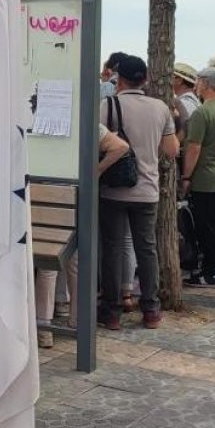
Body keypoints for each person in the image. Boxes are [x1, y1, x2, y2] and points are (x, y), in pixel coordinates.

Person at [98, 55, 178, 330]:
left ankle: (111, 311)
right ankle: (151, 309)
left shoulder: (107, 106)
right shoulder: (161, 108)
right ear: (145, 79)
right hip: (148, 190)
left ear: (119, 80)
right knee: (147, 249)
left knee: (112, 249)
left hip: (114, 189)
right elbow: (171, 150)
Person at [35, 124, 130, 346]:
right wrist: (94, 171)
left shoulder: (43, 119)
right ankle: (77, 321)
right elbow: (120, 146)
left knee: (48, 264)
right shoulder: (87, 120)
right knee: (76, 263)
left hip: (46, 194)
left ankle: (43, 328)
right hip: (78, 195)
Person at [181, 66, 215, 288]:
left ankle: (208, 272)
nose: (196, 84)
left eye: (199, 80)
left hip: (203, 178)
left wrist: (186, 176)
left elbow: (194, 148)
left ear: (205, 83)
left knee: (204, 227)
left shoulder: (202, 113)